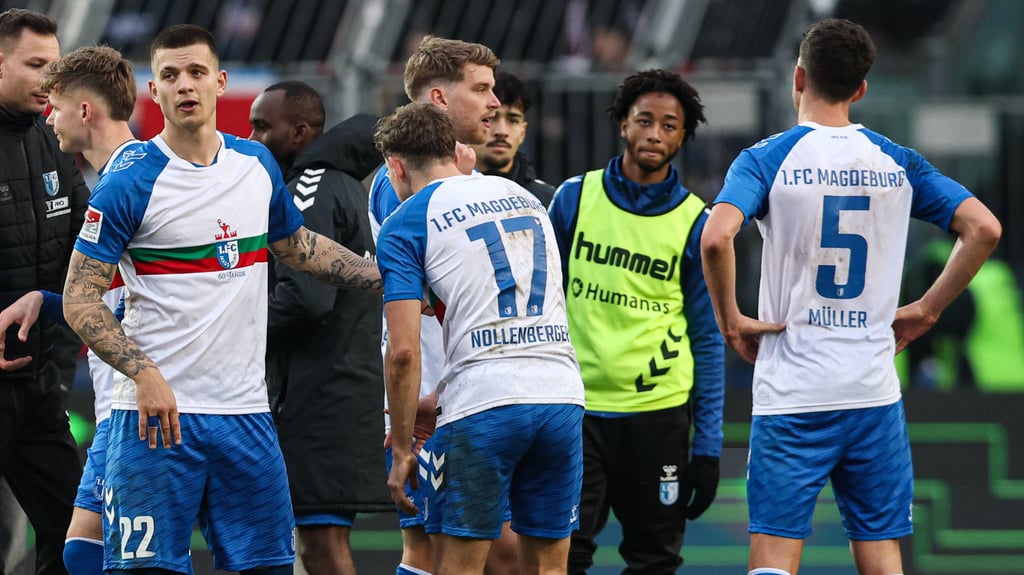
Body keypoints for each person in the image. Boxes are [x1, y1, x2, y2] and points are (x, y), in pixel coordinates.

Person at [60, 24, 382, 574]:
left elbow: (298, 246)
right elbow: (81, 301)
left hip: (245, 418)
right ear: (153, 91)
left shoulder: (254, 165)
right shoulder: (129, 183)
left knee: (269, 568)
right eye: (169, 75)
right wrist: (145, 376)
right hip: (158, 422)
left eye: (196, 72)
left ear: (219, 81)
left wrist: (387, 276)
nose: (184, 85)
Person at [699, 18, 1002, 575]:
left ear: (798, 75)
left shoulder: (767, 158)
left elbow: (716, 237)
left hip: (793, 392)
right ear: (861, 88)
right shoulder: (897, 160)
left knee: (773, 555)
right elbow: (984, 228)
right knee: (882, 555)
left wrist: (731, 321)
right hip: (872, 393)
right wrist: (927, 309)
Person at [375, 101, 585, 575]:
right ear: (457, 151)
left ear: (396, 166)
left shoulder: (406, 221)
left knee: (458, 567)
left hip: (483, 406)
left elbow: (404, 351)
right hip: (561, 396)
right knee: (550, 569)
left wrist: (405, 446)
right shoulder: (523, 196)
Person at [547, 68, 725, 574]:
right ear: (623, 124)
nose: (655, 133)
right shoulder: (574, 199)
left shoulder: (696, 221)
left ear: (684, 137)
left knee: (653, 560)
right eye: (644, 120)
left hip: (659, 415)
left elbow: (708, 338)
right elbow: (543, 305)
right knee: (563, 554)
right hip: (577, 411)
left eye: (670, 125)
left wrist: (708, 448)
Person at [368, 36, 519, 575]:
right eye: (480, 90)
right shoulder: (406, 185)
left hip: (474, 395)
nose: (494, 104)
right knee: (447, 553)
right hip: (435, 402)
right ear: (437, 99)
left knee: (489, 554)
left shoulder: (463, 181)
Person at [249, 81, 391, 575]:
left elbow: (306, 298)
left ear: (301, 133)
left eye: (264, 126)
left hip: (322, 395)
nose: (252, 137)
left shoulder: (310, 185)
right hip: (339, 385)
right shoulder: (343, 184)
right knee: (319, 541)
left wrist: (234, 339)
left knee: (321, 543)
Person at [0, 8, 90, 575]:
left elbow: (88, 241)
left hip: (39, 381)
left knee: (76, 538)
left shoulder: (52, 138)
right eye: (36, 65)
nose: (48, 80)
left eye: (54, 67)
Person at [470, 70, 555, 207]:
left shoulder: (548, 200)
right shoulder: (443, 194)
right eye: (490, 118)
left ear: (523, 132)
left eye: (513, 120)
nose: (502, 131)